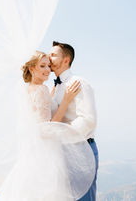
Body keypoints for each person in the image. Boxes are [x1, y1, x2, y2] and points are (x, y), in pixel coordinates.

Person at [0, 51, 96, 201]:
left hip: (34, 149)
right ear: (31, 69)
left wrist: (53, 94)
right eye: (42, 66)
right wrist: (66, 100)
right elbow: (46, 128)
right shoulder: (41, 90)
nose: (48, 69)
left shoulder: (29, 89)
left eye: (48, 65)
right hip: (47, 151)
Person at [50, 41, 98, 201]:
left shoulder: (79, 83)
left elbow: (88, 120)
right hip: (62, 151)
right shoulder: (55, 87)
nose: (49, 58)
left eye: (53, 55)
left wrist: (59, 132)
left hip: (81, 150)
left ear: (66, 60)